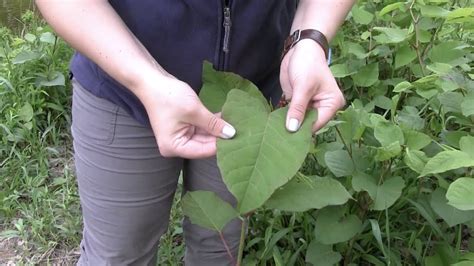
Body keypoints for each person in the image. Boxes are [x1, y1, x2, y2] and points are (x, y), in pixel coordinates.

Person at [35, 0, 355, 265]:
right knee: (118, 256)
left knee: (219, 248)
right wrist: (145, 80)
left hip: (250, 94)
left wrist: (310, 38)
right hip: (121, 84)